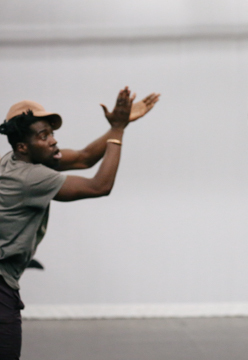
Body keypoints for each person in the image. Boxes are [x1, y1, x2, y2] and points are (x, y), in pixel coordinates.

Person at [0, 88, 159, 359]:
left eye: (52, 133)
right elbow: (100, 185)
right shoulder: (31, 177)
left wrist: (119, 126)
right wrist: (117, 129)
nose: (53, 141)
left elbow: (85, 157)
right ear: (23, 146)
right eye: (43, 136)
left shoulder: (14, 162)